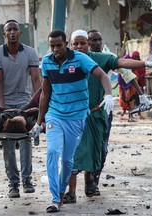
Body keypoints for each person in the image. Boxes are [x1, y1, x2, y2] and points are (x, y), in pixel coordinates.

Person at [64, 29, 152, 203]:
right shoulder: (65, 60)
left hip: (96, 114)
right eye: (76, 44)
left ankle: (90, 183)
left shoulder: (99, 58)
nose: (80, 47)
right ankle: (71, 193)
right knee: (74, 154)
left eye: (83, 43)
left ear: (88, 44)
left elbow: (122, 63)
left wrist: (145, 62)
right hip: (73, 117)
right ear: (70, 45)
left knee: (96, 152)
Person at [31, 29, 114, 213]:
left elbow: (102, 75)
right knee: (52, 152)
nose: (55, 49)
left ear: (66, 44)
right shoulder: (46, 62)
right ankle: (54, 198)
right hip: (55, 115)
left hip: (76, 117)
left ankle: (61, 192)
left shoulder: (80, 59)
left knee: (68, 161)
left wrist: (109, 95)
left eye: (59, 45)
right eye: (52, 46)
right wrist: (39, 122)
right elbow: (45, 93)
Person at [0, 19, 41, 198]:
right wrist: (4, 111)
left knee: (26, 138)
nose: (12, 32)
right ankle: (13, 184)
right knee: (8, 140)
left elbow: (36, 81)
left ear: (20, 33)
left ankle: (27, 180)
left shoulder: (30, 53)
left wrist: (37, 105)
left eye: (15, 29)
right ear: (4, 34)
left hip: (25, 100)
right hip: (5, 101)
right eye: (8, 30)